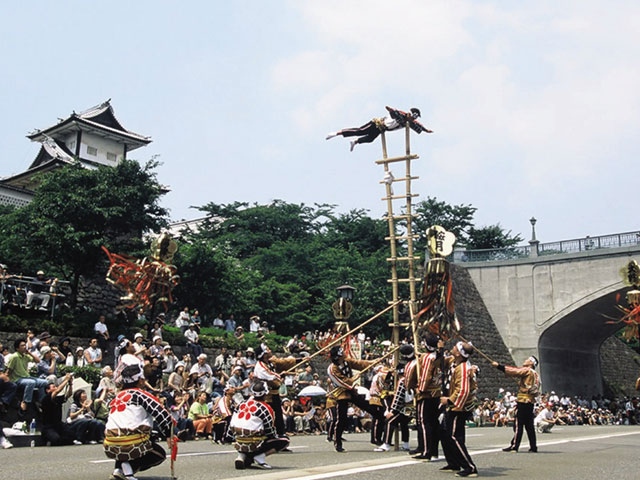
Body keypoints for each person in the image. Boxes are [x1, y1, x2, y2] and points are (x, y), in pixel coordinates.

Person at [103, 363, 175, 480]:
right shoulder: (141, 395)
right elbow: (163, 415)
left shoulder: (116, 397)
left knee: (128, 435)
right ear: (140, 381)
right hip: (131, 443)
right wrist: (169, 435)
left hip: (109, 443)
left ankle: (119, 469)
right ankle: (127, 469)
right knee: (159, 454)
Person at [326, 345, 383, 453]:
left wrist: (373, 362)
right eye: (342, 353)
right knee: (341, 419)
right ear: (338, 357)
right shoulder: (332, 368)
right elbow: (340, 382)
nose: (344, 354)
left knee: (371, 409)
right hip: (340, 394)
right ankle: (337, 443)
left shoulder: (346, 361)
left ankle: (377, 438)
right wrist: (352, 380)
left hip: (351, 392)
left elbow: (359, 363)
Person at [229, 381, 290, 470]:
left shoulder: (241, 404)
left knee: (244, 431)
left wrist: (229, 436)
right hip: (254, 442)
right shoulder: (266, 408)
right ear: (265, 393)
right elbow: (269, 430)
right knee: (284, 440)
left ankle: (241, 456)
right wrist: (275, 436)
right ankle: (259, 457)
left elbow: (232, 422)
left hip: (238, 440)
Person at [439, 341, 479, 478]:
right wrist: (439, 349)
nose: (453, 348)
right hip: (453, 406)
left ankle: (470, 467)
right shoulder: (455, 362)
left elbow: (463, 390)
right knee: (444, 433)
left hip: (458, 407)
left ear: (459, 353)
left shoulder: (462, 368)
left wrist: (449, 400)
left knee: (455, 437)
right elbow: (440, 362)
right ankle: (453, 462)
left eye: (455, 347)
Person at [406, 333, 446, 460]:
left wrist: (420, 389)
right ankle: (433, 451)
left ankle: (426, 450)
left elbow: (426, 375)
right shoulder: (438, 356)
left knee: (424, 422)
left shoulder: (429, 358)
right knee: (433, 423)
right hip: (437, 393)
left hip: (427, 393)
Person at [326, 106, 432, 151]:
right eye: (412, 117)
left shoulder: (408, 123)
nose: (411, 119)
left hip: (381, 129)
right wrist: (392, 110)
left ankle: (355, 142)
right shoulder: (401, 115)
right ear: (410, 114)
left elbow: (419, 126)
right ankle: (336, 133)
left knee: (370, 139)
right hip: (376, 124)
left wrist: (426, 130)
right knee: (360, 131)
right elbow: (389, 109)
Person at [492, 355, 540, 453]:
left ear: (531, 363)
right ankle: (533, 446)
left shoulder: (527, 370)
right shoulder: (536, 375)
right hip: (530, 402)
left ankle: (514, 446)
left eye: (527, 359)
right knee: (529, 426)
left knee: (518, 424)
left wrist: (499, 366)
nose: (525, 360)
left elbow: (514, 371)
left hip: (523, 401)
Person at [253, 343, 299, 437]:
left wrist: (301, 360)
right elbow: (271, 376)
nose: (270, 350)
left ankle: (280, 437)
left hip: (274, 394)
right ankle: (269, 438)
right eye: (268, 350)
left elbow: (284, 362)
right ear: (264, 354)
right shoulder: (260, 366)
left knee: (278, 418)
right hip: (265, 396)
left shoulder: (270, 361)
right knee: (269, 417)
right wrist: (280, 375)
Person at [6, 337, 49, 414]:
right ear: (17, 348)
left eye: (24, 345)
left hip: (26, 377)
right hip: (17, 379)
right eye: (22, 345)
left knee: (45, 382)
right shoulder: (14, 357)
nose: (24, 347)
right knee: (31, 383)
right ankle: (25, 402)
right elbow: (9, 370)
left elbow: (37, 360)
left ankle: (40, 401)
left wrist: (29, 353)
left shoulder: (25, 356)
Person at [40, 373, 76, 446]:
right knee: (56, 439)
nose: (56, 388)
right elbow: (57, 391)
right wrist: (66, 379)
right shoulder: (46, 399)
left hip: (58, 424)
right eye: (53, 387)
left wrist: (70, 384)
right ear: (47, 390)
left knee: (72, 436)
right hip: (48, 426)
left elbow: (68, 394)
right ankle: (47, 438)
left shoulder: (57, 399)